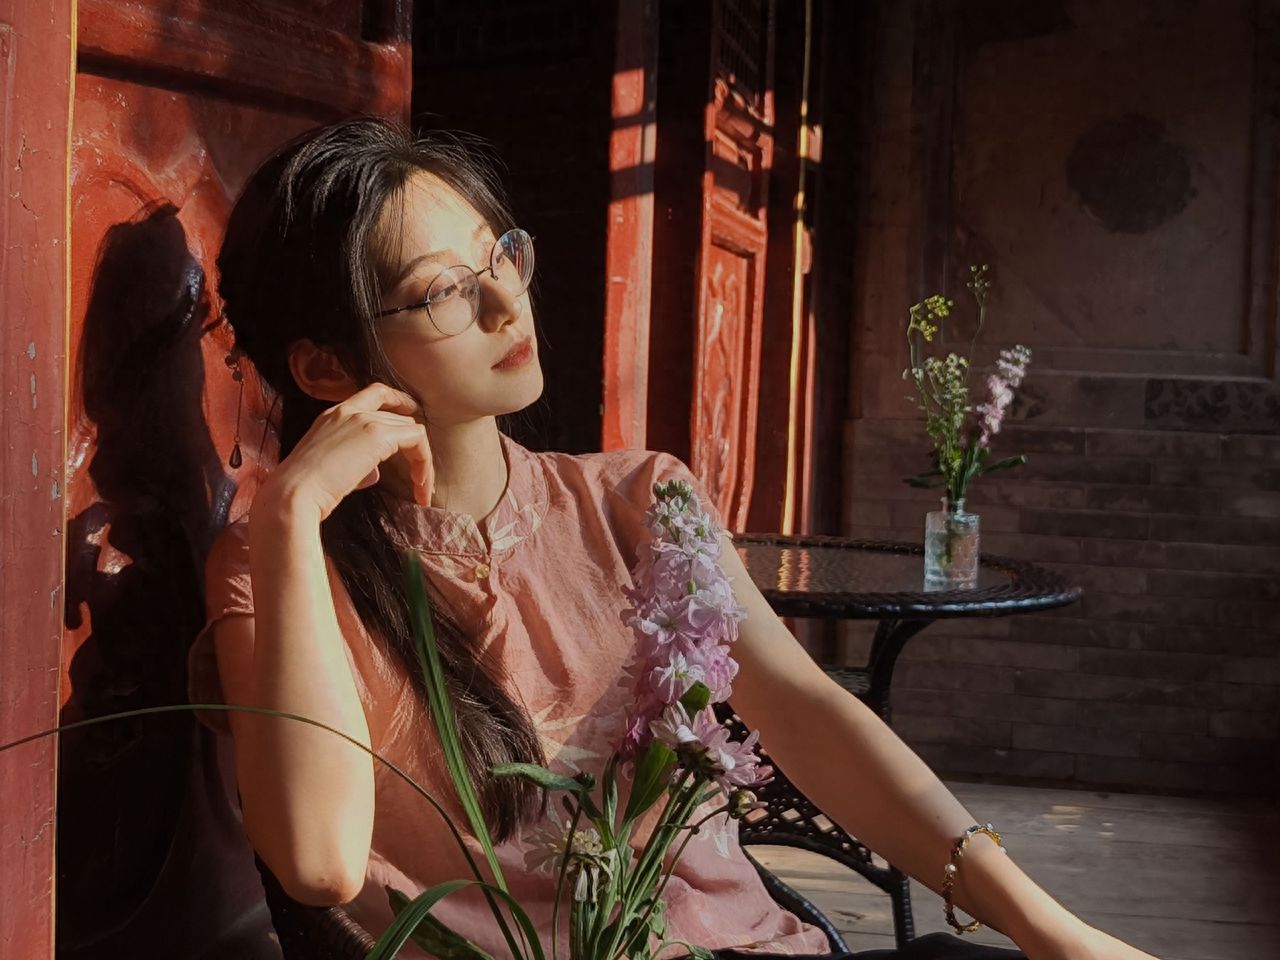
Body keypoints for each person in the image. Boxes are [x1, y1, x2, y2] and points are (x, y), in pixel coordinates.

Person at [191, 116, 1157, 960]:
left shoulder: (638, 498)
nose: (504, 303)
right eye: (444, 290)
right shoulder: (283, 570)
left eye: (500, 255)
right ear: (324, 368)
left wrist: (1044, 924)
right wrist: (286, 515)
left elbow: (808, 715)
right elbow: (319, 865)